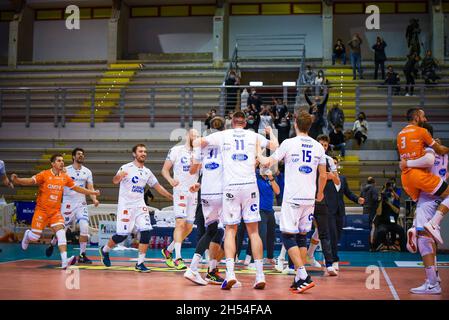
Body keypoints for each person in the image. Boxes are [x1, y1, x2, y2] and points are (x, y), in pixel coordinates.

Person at [194, 111, 279, 290]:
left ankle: (230, 274)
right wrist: (270, 131)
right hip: (250, 187)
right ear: (245, 122)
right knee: (254, 232)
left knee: (230, 230)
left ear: (232, 122)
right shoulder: (253, 135)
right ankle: (260, 275)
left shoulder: (223, 134)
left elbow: (198, 142)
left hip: (231, 188)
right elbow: (274, 145)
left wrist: (196, 142)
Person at [257, 110, 327, 293]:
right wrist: (320, 193)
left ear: (295, 123)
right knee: (302, 237)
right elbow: (323, 175)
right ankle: (298, 278)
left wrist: (257, 152)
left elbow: (267, 162)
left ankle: (303, 274)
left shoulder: (289, 143)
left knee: (288, 236)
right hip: (309, 198)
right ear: (309, 125)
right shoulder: (318, 146)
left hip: (293, 197)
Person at [11, 154, 100, 269]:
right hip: (41, 211)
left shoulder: (64, 177)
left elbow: (77, 188)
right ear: (53, 164)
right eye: (58, 161)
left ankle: (64, 261)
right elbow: (30, 181)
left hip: (55, 212)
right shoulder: (44, 174)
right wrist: (17, 180)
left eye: (62, 161)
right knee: (35, 237)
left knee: (61, 233)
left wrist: (92, 193)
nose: (62, 163)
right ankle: (28, 235)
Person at [99, 144, 172, 272]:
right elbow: (115, 181)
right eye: (140, 151)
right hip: (126, 206)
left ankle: (140, 263)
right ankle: (105, 250)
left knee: (146, 231)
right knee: (122, 235)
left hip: (140, 206)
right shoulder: (126, 167)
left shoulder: (147, 172)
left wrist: (172, 197)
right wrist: (119, 176)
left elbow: (158, 187)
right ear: (134, 154)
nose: (143, 153)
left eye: (145, 151)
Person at [184, 117, 226, 286]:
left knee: (212, 231)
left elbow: (195, 169)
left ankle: (195, 268)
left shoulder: (203, 143)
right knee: (222, 231)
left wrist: (198, 183)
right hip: (221, 193)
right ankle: (211, 270)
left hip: (206, 193)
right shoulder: (226, 142)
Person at [403, 123, 445, 294]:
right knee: (429, 238)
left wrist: (406, 163)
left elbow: (422, 166)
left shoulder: (427, 151)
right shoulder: (442, 150)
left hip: (428, 197)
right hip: (438, 194)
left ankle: (432, 283)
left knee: (423, 238)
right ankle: (434, 277)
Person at [397, 107, 449, 245]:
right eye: (423, 116)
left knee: (420, 208)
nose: (425, 119)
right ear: (416, 117)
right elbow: (431, 159)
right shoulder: (424, 136)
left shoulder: (400, 134)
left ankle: (414, 228)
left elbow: (405, 158)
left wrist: (406, 163)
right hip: (421, 178)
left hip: (406, 179)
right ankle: (433, 223)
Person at [45, 148, 99, 263]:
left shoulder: (87, 172)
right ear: (73, 157)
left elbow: (90, 187)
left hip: (81, 203)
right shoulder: (65, 170)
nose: (81, 156)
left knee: (84, 227)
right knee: (61, 229)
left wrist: (94, 199)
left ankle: (82, 255)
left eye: (83, 154)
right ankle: (53, 242)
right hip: (68, 203)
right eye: (79, 154)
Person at [161, 129, 200, 270]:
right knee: (180, 223)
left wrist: (199, 184)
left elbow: (202, 173)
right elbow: (164, 170)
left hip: (193, 192)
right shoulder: (176, 150)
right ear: (187, 136)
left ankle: (168, 250)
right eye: (193, 135)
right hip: (180, 191)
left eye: (197, 136)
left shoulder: (199, 153)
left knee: (189, 227)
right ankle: (178, 258)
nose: (195, 137)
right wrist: (170, 179)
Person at [305, 135, 340, 276]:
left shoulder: (329, 160)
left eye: (325, 145)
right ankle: (289, 263)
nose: (323, 147)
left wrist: (329, 175)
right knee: (298, 230)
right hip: (306, 197)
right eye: (321, 144)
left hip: (321, 199)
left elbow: (337, 181)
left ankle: (329, 264)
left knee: (323, 233)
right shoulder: (309, 156)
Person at [327, 157, 364, 270]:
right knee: (332, 236)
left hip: (340, 211)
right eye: (333, 163)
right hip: (328, 211)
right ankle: (334, 260)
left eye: (336, 163)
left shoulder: (342, 178)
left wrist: (357, 199)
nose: (335, 165)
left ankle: (329, 256)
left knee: (337, 235)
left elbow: (348, 193)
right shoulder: (325, 178)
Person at [254, 166, 280, 264]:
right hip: (260, 210)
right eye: (262, 166)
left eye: (266, 167)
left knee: (271, 235)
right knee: (261, 235)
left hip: (270, 210)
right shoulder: (256, 177)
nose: (264, 168)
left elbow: (277, 191)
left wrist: (271, 178)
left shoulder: (271, 178)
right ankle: (256, 260)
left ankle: (270, 257)